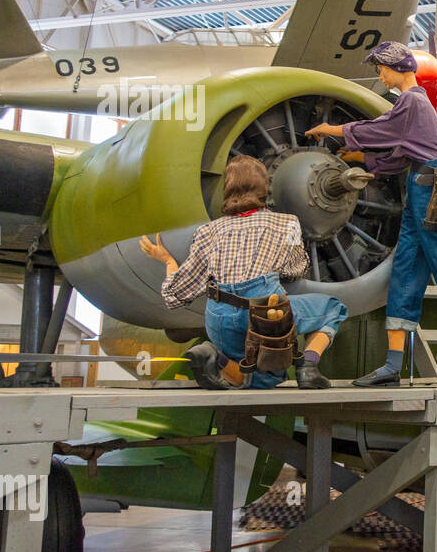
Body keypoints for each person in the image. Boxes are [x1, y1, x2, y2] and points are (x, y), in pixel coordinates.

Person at [304, 40, 437, 386]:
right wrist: (367, 164)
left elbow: (380, 131)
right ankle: (391, 367)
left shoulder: (412, 102)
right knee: (405, 274)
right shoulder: (414, 106)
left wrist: (335, 131)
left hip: (432, 191)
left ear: (398, 68)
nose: (380, 76)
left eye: (381, 69)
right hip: (419, 186)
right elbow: (401, 154)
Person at [139, 154, 346, 390]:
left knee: (255, 374)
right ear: (264, 187)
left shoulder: (208, 231)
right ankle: (308, 366)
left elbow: (175, 294)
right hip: (266, 314)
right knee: (333, 308)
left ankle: (216, 357)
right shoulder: (287, 223)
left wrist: (167, 260)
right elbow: (296, 269)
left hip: (220, 317)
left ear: (227, 189)